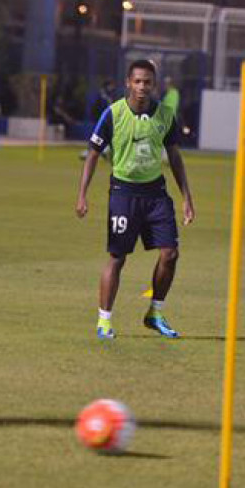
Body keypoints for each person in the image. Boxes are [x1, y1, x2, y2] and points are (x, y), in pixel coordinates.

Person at [75, 59, 195, 340]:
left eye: (148, 82)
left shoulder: (165, 115)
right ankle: (104, 321)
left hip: (155, 193)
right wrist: (82, 194)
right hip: (123, 193)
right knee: (118, 257)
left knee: (171, 253)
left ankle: (155, 312)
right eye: (137, 81)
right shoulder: (113, 113)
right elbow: (93, 154)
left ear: (154, 85)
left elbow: (175, 157)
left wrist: (186, 198)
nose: (142, 87)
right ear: (128, 83)